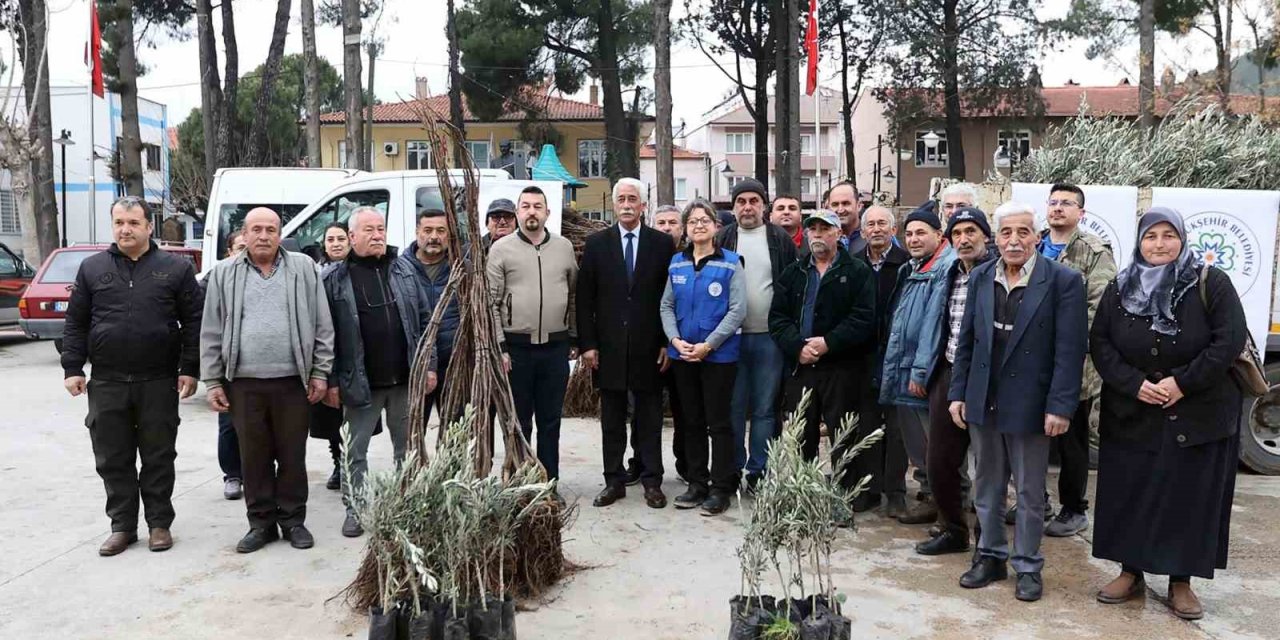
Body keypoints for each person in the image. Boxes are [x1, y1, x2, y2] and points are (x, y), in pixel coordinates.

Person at [1089, 207, 1246, 621]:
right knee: (1131, 492)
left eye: (1168, 235)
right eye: (1150, 236)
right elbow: (1101, 343)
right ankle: (1130, 570)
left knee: (1188, 497)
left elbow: (1227, 342)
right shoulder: (1120, 288)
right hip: (1133, 411)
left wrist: (1182, 383)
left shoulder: (1211, 283)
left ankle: (1181, 581)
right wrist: (1133, 383)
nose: (1159, 244)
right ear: (1139, 243)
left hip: (1196, 413)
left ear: (1182, 239)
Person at [948, 202, 1086, 602]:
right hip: (983, 401)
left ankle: (1027, 565)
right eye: (1006, 233)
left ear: (1037, 237)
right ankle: (989, 556)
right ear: (996, 238)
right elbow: (967, 341)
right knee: (986, 486)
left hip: (1031, 404)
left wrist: (1060, 407)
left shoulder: (1063, 281)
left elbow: (1070, 351)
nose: (1014, 241)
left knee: (1028, 492)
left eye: (1023, 232)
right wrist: (958, 393)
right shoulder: (980, 278)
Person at [63, 196, 202, 556]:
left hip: (157, 380)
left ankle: (159, 524)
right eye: (119, 222)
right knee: (113, 457)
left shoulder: (175, 269)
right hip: (107, 381)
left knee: (158, 455)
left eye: (133, 223)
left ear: (148, 226)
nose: (125, 229)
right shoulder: (92, 269)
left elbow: (194, 322)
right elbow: (76, 322)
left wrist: (190, 368)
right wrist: (72, 368)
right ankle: (122, 527)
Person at [201, 207, 334, 553]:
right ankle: (260, 523)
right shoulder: (224, 273)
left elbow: (322, 323)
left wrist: (320, 371)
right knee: (253, 456)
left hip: (293, 381)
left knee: (292, 454)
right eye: (256, 229)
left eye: (271, 229)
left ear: (279, 234)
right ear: (243, 235)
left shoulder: (304, 269)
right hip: (243, 384)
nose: (263, 236)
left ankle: (293, 520)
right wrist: (213, 380)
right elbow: (212, 330)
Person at [322, 207, 433, 539]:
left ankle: (406, 504)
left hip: (403, 379)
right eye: (368, 230)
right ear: (352, 237)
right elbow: (323, 335)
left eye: (381, 228)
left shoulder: (405, 271)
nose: (377, 235)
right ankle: (355, 509)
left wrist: (428, 366)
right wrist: (329, 380)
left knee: (408, 448)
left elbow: (426, 322)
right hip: (360, 382)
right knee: (354, 451)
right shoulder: (333, 280)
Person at [578, 177, 676, 508]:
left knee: (649, 418)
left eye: (633, 198)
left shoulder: (662, 245)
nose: (626, 204)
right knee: (612, 420)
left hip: (650, 347)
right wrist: (588, 344)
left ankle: (651, 481)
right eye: (621, 198)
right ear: (614, 204)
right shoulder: (596, 244)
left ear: (643, 205)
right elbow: (584, 299)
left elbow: (669, 297)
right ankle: (614, 481)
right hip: (609, 348)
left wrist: (667, 341)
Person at [1034, 183, 1117, 537]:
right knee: (1030, 435)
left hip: (1073, 363)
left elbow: (1099, 306)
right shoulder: (1033, 244)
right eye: (1053, 203)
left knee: (1071, 439)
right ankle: (1036, 500)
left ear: (1080, 213)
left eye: (1066, 203)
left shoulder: (1094, 252)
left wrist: (1062, 341)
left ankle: (1073, 508)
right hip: (1030, 360)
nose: (1058, 208)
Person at [769, 210, 876, 479]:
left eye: (825, 228)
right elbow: (778, 318)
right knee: (800, 436)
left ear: (838, 234)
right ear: (806, 234)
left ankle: (845, 497)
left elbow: (863, 318)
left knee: (844, 436)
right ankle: (802, 493)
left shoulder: (857, 271)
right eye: (812, 229)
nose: (818, 234)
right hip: (801, 367)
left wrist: (829, 343)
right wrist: (797, 347)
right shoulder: (793, 272)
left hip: (841, 368)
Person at [915, 207, 996, 556]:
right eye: (957, 234)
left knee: (990, 465)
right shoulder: (947, 273)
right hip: (947, 372)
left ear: (985, 236)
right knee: (940, 460)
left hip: (988, 378)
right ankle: (953, 529)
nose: (964, 239)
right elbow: (935, 323)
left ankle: (988, 542)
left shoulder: (998, 273)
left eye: (971, 232)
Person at [660, 199, 746, 515]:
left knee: (719, 423)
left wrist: (708, 345)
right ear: (685, 228)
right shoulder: (676, 263)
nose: (699, 224)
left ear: (715, 226)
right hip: (683, 356)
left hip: (718, 357)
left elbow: (738, 310)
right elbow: (666, 306)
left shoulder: (732, 263)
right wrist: (675, 340)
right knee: (691, 421)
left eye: (705, 219)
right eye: (693, 220)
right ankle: (697, 483)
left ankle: (722, 487)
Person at [488, 186, 578, 481]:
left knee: (551, 422)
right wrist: (500, 346)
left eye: (537, 206)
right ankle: (520, 482)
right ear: (517, 213)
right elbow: (491, 301)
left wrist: (573, 336)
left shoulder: (563, 248)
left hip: (554, 348)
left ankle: (549, 482)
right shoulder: (501, 249)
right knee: (520, 422)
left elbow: (574, 294)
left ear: (547, 213)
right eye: (525, 206)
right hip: (516, 350)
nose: (531, 211)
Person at [714, 178, 797, 490]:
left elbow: (791, 286)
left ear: (764, 206)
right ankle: (733, 468)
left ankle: (759, 471)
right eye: (741, 201)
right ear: (733, 207)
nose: (747, 207)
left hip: (769, 337)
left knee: (764, 409)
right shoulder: (723, 238)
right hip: (729, 339)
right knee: (734, 407)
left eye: (754, 201)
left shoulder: (779, 240)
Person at [880, 207, 954, 523]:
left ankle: (951, 510)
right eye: (909, 233)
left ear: (939, 235)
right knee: (919, 443)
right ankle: (931, 497)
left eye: (921, 232)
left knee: (938, 444)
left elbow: (934, 323)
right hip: (906, 367)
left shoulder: (944, 268)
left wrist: (920, 370)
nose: (913, 238)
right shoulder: (913, 267)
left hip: (923, 372)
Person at [851, 205, 909, 512]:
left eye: (881, 224)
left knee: (897, 428)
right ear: (862, 232)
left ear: (893, 230)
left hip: (896, 357)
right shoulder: (853, 264)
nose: (876, 229)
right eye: (870, 224)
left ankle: (895, 491)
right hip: (862, 358)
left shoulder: (907, 265)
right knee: (867, 425)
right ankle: (869, 489)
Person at [402, 209, 460, 428]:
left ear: (449, 235)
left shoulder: (461, 268)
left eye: (440, 231)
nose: (434, 236)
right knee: (413, 430)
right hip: (414, 364)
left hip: (453, 363)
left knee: (454, 431)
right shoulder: (401, 269)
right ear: (418, 232)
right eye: (427, 230)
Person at [311, 222, 352, 492]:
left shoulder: (358, 273)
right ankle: (339, 464)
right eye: (330, 239)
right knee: (331, 419)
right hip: (326, 356)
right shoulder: (317, 277)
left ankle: (353, 465)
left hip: (355, 357)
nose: (336, 244)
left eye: (340, 238)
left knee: (356, 420)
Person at [651, 203, 689, 480]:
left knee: (685, 411)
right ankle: (643, 463)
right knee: (646, 410)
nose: (667, 228)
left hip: (685, 344)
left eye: (672, 223)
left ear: (683, 227)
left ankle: (685, 465)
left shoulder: (693, 255)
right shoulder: (646, 255)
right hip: (651, 346)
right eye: (661, 222)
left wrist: (672, 341)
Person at [216, 230, 247, 501]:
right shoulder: (219, 278)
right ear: (229, 251)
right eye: (239, 247)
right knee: (229, 424)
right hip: (229, 367)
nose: (244, 251)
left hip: (259, 370)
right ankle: (233, 475)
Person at [826, 182, 866, 254]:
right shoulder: (821, 237)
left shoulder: (871, 235)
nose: (840, 210)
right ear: (828, 208)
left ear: (859, 206)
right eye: (835, 205)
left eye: (846, 203)